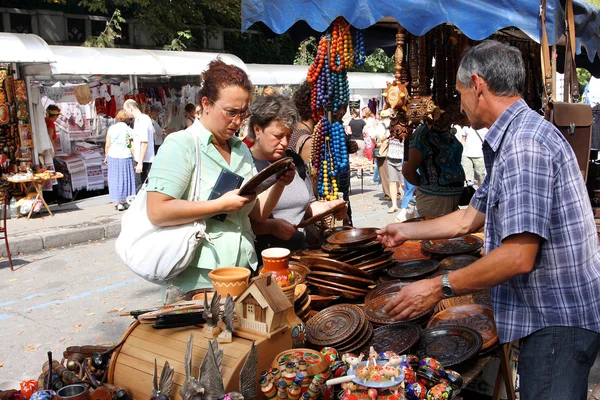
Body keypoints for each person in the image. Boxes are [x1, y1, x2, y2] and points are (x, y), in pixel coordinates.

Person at [377, 40, 600, 400]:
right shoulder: (514, 137)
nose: (460, 101)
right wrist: (405, 230)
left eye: (461, 91)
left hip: (558, 321)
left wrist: (438, 287)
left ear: (478, 85)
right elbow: (469, 218)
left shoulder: (525, 144)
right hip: (552, 316)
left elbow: (517, 256)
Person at [146, 59, 294, 293]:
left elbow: (257, 213)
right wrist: (218, 205)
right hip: (200, 281)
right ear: (206, 103)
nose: (237, 121)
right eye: (231, 112)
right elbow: (157, 211)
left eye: (243, 114)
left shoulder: (240, 149)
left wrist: (279, 183)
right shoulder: (181, 145)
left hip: (244, 271)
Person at [248, 95, 347, 254]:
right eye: (278, 136)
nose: (285, 143)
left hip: (300, 254)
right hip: (263, 257)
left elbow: (307, 208)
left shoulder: (294, 160)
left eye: (288, 136)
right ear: (257, 130)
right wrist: (269, 227)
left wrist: (331, 207)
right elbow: (238, 221)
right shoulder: (245, 163)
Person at [401, 114, 464, 217]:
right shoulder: (423, 132)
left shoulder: (446, 130)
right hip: (434, 199)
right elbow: (408, 170)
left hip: (454, 198)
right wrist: (423, 184)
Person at [104, 110, 135, 211]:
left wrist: (106, 156)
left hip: (113, 155)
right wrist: (135, 158)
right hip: (125, 156)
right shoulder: (128, 130)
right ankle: (126, 201)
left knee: (115, 179)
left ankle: (117, 202)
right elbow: (130, 145)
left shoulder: (111, 129)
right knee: (126, 178)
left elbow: (108, 144)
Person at [124, 99, 155, 191]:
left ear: (130, 108)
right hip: (141, 159)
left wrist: (140, 162)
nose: (126, 113)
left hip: (145, 160)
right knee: (140, 187)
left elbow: (144, 143)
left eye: (126, 110)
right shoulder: (138, 120)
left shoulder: (143, 120)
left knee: (141, 187)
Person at [386, 133, 404, 213]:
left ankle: (408, 204)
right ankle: (394, 205)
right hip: (391, 157)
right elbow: (381, 138)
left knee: (403, 184)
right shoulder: (390, 129)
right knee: (392, 182)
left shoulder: (407, 128)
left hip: (402, 158)